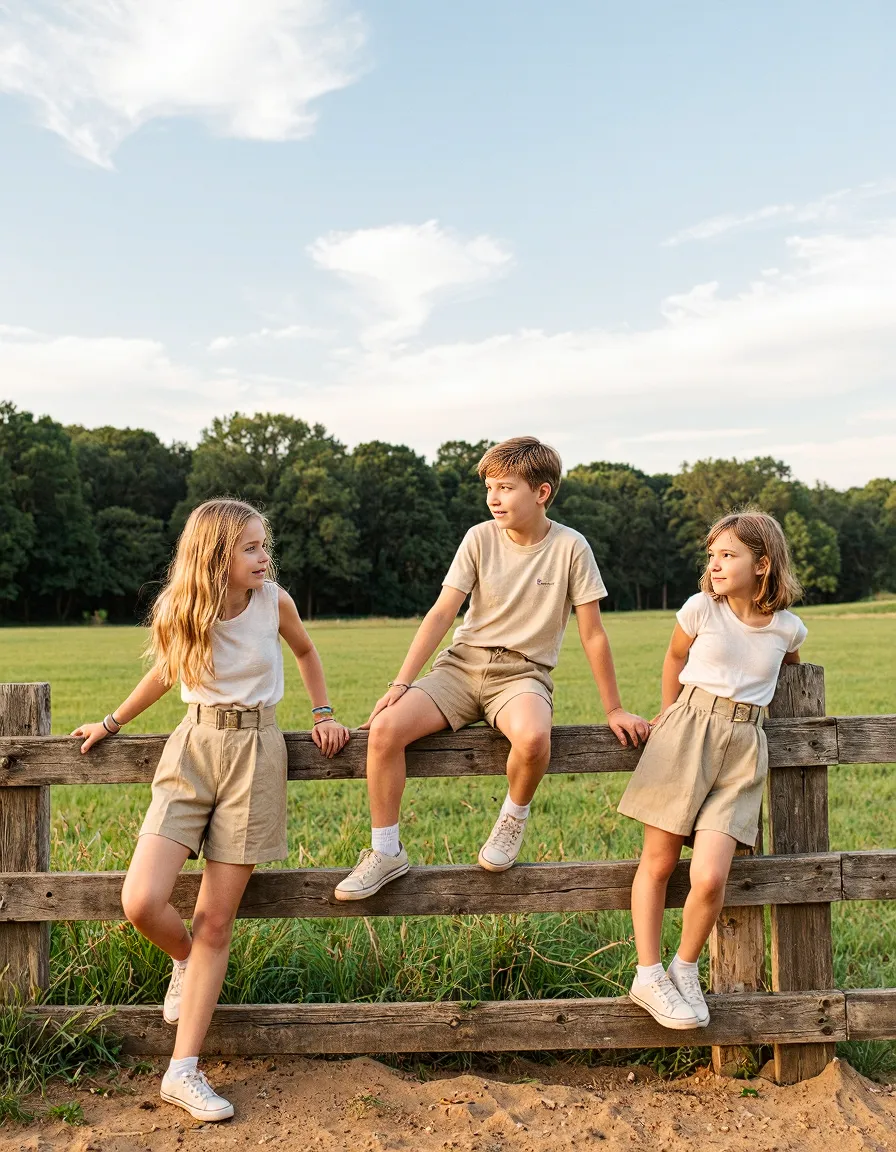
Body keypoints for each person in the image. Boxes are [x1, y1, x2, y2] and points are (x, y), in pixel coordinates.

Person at [71, 498, 349, 1121]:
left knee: (215, 922)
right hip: (192, 748)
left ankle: (183, 1070)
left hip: (258, 751)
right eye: (250, 547)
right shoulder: (183, 608)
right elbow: (166, 675)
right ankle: (186, 962)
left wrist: (323, 713)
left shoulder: (274, 601)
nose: (263, 556)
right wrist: (112, 722)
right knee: (141, 900)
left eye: (263, 545)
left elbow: (305, 652)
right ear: (215, 556)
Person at [335, 436, 649, 902]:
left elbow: (593, 634)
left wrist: (616, 708)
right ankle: (385, 852)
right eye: (489, 488)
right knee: (383, 731)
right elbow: (442, 613)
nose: (493, 498)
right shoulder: (479, 537)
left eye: (505, 488)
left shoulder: (571, 547)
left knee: (533, 737)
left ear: (541, 492)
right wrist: (401, 682)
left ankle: (511, 819)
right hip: (460, 668)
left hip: (522, 674)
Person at [618, 509, 806, 1029]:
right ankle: (648, 973)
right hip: (688, 732)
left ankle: (684, 967)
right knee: (657, 864)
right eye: (712, 555)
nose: (716, 565)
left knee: (710, 875)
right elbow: (673, 660)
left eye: (729, 555)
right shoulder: (701, 609)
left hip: (746, 747)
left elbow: (784, 672)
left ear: (763, 564)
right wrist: (668, 711)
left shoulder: (789, 629)